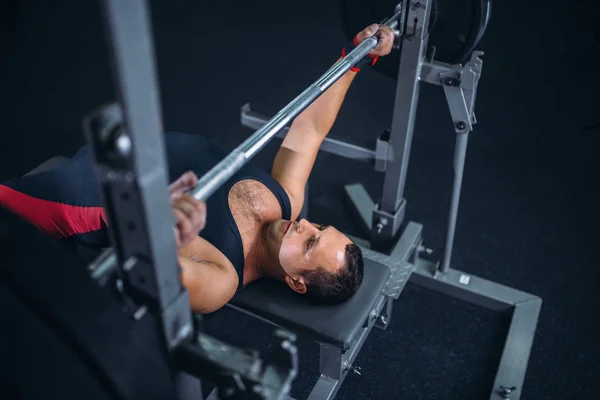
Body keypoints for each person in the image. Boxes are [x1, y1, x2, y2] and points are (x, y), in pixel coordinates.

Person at [0, 24, 394, 313]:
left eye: (309, 243)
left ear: (296, 283)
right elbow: (308, 131)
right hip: (132, 140)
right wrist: (356, 59)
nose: (306, 226)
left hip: (81, 199)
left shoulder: (221, 279)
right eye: (320, 227)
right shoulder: (286, 201)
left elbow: (159, 271)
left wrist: (164, 232)